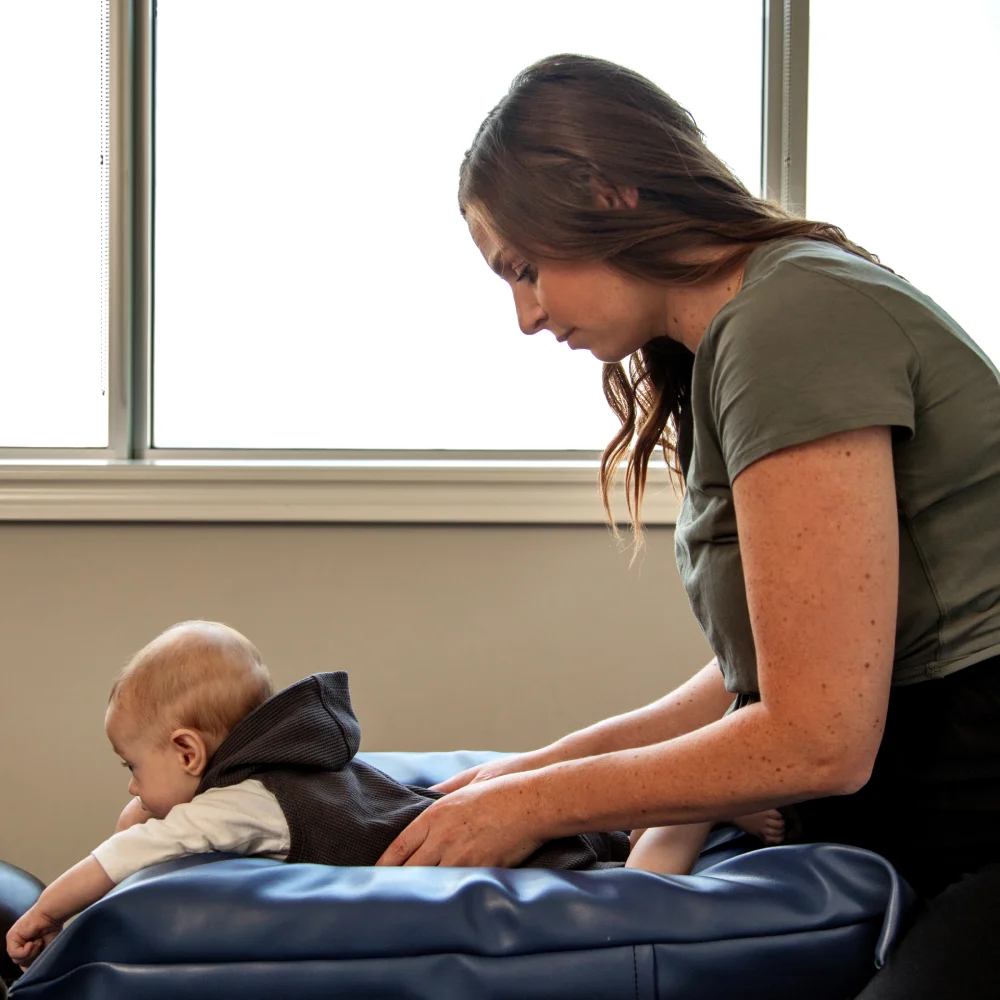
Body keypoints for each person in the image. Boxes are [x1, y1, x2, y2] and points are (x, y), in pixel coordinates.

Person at [375, 54, 1000, 998]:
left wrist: (540, 800)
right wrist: (534, 772)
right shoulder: (740, 338)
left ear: (606, 192)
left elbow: (818, 734)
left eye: (528, 268)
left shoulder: (791, 319)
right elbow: (766, 666)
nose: (526, 315)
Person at [7, 620, 643, 971]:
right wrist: (147, 802)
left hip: (511, 865)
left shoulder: (239, 805)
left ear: (188, 753)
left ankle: (680, 825)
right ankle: (645, 829)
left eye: (134, 767)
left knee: (642, 878)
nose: (132, 787)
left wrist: (46, 917)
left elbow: (118, 858)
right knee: (613, 851)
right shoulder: (287, 760)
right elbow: (143, 824)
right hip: (446, 824)